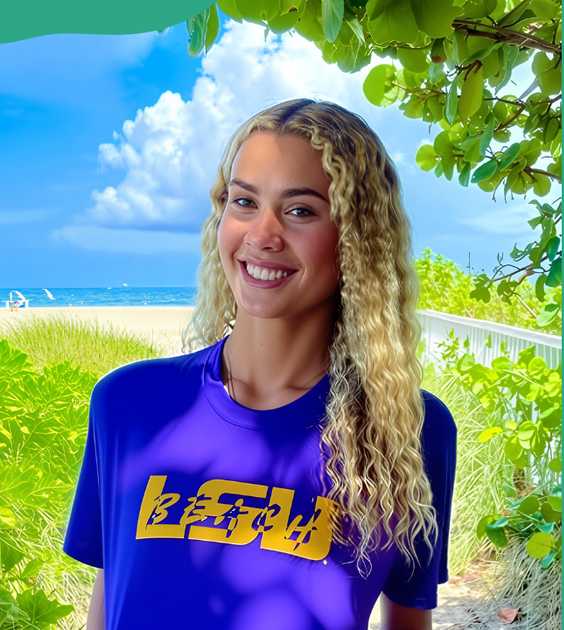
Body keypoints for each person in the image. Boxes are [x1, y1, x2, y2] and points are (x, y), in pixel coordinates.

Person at [62, 98, 457, 630]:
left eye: (300, 211)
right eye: (244, 201)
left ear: (356, 241)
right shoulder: (130, 405)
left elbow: (407, 623)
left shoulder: (408, 430)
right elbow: (108, 603)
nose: (262, 233)